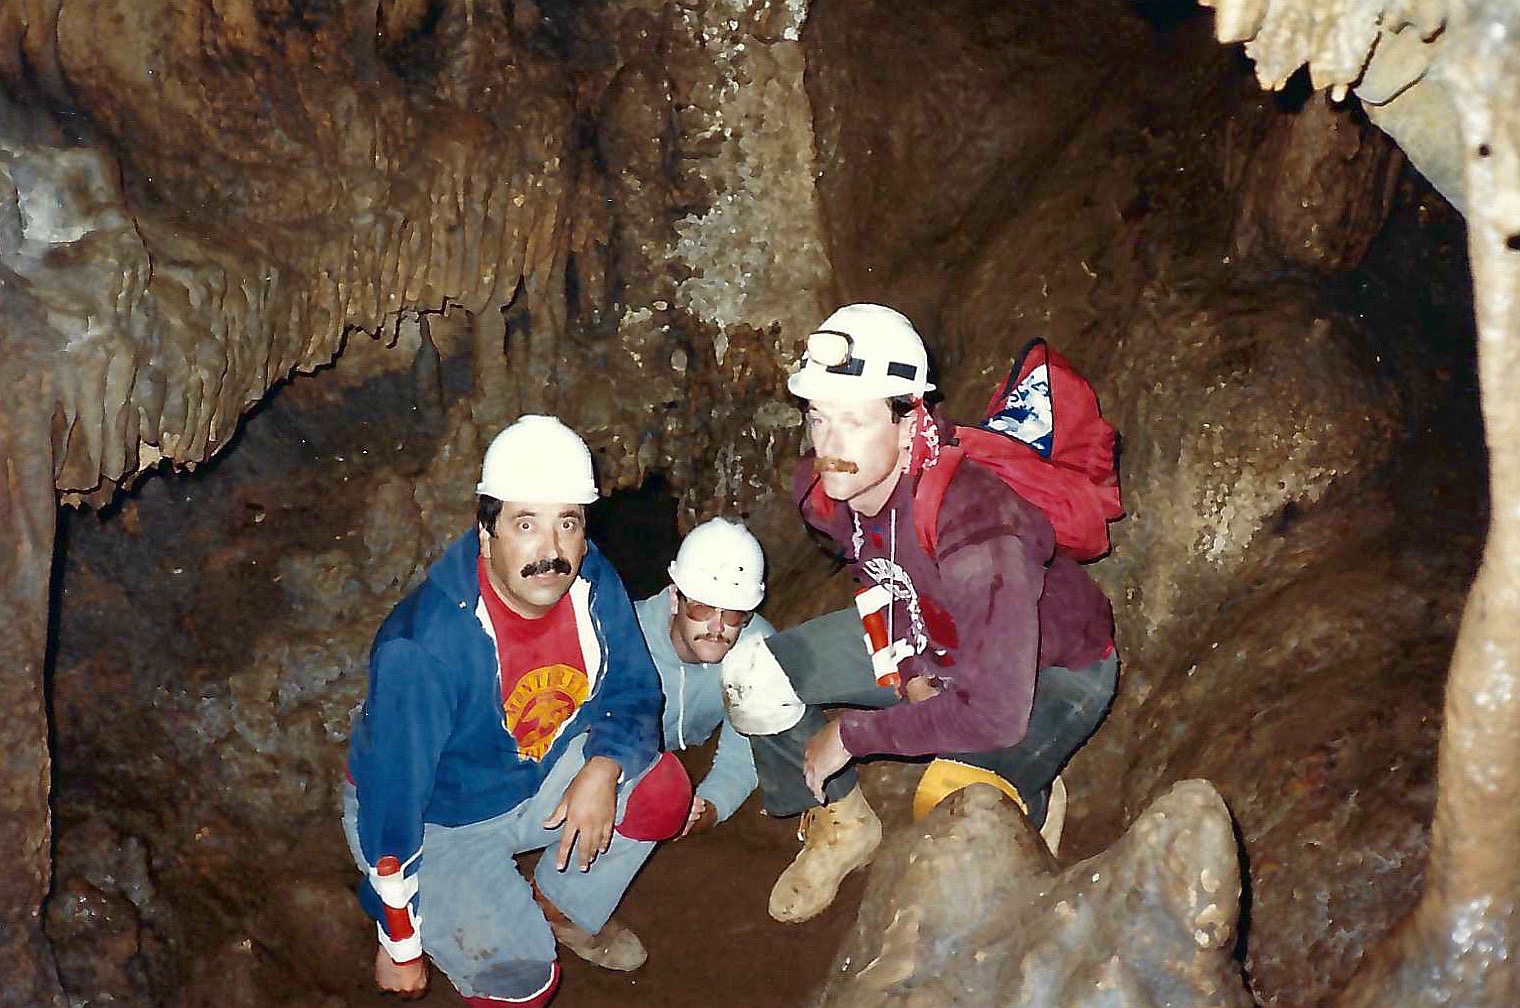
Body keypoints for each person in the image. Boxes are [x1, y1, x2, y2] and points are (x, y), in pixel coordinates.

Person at [724, 303, 1119, 924]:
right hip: (937, 631)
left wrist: (853, 733)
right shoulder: (832, 489)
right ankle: (844, 824)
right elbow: (877, 574)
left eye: (853, 421)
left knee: (951, 803)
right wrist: (905, 660)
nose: (829, 446)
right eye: (818, 418)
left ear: (910, 422)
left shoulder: (979, 528)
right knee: (751, 675)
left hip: (1051, 672)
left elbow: (993, 710)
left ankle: (1030, 798)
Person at [343, 414, 691, 1007]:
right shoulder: (425, 649)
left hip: (536, 775)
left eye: (568, 524)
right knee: (521, 981)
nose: (551, 552)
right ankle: (460, 908)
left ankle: (560, 904)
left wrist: (603, 767)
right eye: (526, 524)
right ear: (486, 532)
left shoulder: (589, 579)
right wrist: (397, 938)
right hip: (438, 819)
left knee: (661, 789)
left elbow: (634, 687)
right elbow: (391, 802)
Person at [634, 518, 776, 836]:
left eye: (734, 613)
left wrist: (710, 807)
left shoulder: (757, 650)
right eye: (702, 608)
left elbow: (745, 751)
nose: (717, 627)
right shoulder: (625, 638)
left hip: (681, 759)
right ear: (675, 598)